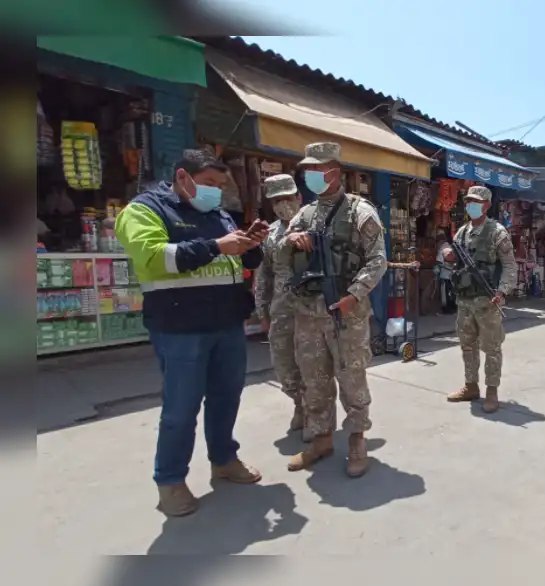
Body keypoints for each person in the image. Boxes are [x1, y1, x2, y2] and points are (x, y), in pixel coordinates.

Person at [115, 149, 269, 517]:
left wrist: (250, 246)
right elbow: (153, 257)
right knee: (180, 410)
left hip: (227, 324)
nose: (216, 192)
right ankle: (169, 481)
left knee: (225, 399)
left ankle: (224, 459)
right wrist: (218, 246)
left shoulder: (219, 214)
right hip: (180, 328)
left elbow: (237, 261)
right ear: (183, 177)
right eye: (209, 184)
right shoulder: (143, 210)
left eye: (220, 185)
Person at [280, 142, 387, 477]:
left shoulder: (360, 211)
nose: (310, 175)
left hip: (346, 312)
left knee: (351, 376)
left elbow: (378, 260)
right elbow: (279, 254)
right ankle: (322, 438)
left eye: (316, 169)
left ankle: (356, 438)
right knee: (315, 378)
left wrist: (354, 295)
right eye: (307, 170)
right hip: (309, 311)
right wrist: (291, 242)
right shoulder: (304, 213)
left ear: (333, 171)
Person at [443, 186, 518, 413]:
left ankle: (492, 391)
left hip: (487, 300)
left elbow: (509, 265)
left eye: (475, 202)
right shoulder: (462, 232)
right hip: (465, 299)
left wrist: (502, 291)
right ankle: (471, 386)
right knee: (467, 345)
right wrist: (449, 255)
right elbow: (453, 260)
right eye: (468, 201)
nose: (470, 205)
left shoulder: (497, 232)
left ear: (486, 205)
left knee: (491, 347)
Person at [253, 174, 308, 440]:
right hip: (282, 310)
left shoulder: (316, 225)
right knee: (285, 363)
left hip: (313, 310)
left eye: (287, 198)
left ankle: (316, 413)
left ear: (299, 197)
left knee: (313, 364)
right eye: (276, 201)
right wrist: (262, 312)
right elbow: (263, 276)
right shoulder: (271, 234)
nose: (282, 205)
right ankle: (298, 404)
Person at [435, 232, 457, 314]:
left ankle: (446, 310)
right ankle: (453, 308)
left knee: (445, 294)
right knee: (452, 292)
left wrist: (438, 268)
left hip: (445, 275)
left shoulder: (443, 247)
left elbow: (439, 261)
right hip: (452, 275)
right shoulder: (452, 247)